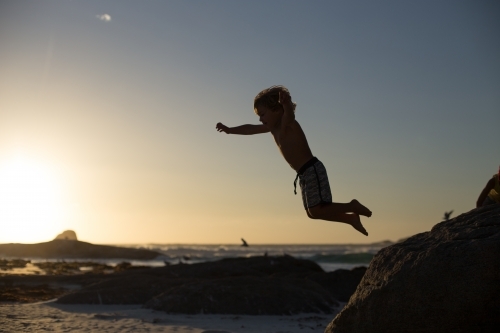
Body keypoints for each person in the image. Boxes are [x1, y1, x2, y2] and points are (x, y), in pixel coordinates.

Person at [216, 85, 372, 236]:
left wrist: (286, 104)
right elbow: (249, 128)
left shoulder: (287, 123)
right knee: (312, 213)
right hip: (304, 173)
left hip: (312, 169)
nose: (260, 119)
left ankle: (352, 206)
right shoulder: (272, 128)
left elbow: (289, 115)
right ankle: (350, 218)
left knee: (317, 209)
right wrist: (230, 130)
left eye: (262, 114)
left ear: (277, 110)